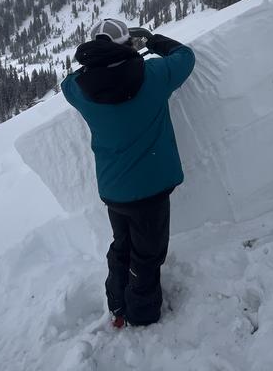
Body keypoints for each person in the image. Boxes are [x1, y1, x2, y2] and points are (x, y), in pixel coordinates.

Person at [61, 18, 195, 327]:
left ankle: (118, 304)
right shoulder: (155, 75)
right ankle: (142, 315)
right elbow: (185, 56)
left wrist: (100, 59)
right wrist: (151, 41)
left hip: (113, 190)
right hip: (151, 189)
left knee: (122, 246)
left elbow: (70, 80)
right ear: (127, 44)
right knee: (147, 256)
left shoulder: (78, 89)